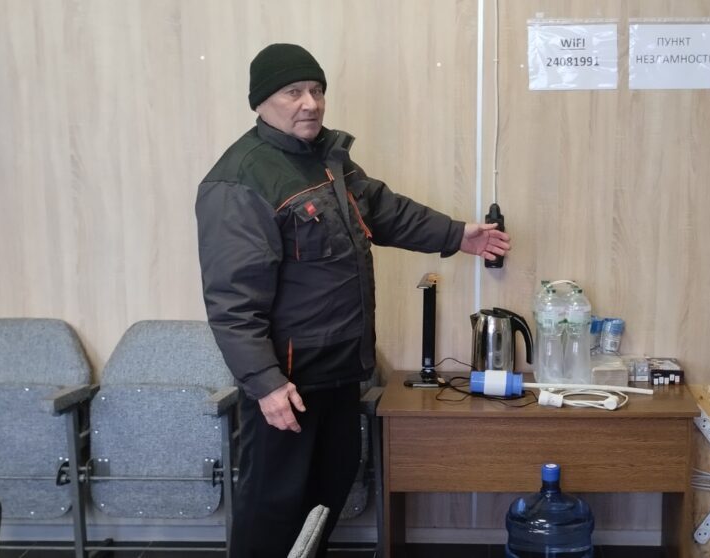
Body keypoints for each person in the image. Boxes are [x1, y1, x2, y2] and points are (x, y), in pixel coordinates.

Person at [195, 43, 509, 557]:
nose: (310, 103)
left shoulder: (328, 159)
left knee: (325, 499)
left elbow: (385, 211)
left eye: (316, 90)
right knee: (272, 511)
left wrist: (457, 235)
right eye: (293, 92)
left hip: (340, 370)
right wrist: (266, 384)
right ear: (261, 102)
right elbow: (232, 304)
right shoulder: (241, 180)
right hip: (288, 384)